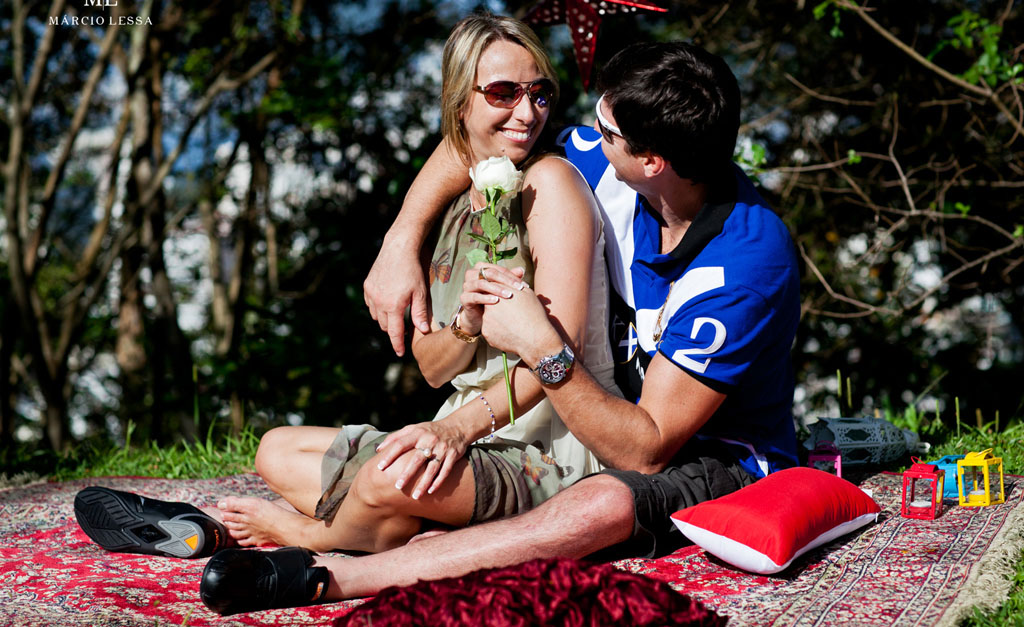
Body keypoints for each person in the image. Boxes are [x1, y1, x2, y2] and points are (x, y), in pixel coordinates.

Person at [197, 40, 802, 616]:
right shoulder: (615, 168)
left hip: (712, 454)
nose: (587, 133)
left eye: (606, 130)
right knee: (288, 452)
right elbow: (476, 143)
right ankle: (427, 527)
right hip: (601, 421)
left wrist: (541, 345)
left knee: (601, 506)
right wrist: (400, 241)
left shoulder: (741, 269)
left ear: (651, 159)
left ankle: (333, 571)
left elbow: (643, 451)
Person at [74, 12, 620, 561]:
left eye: (540, 94)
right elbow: (433, 367)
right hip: (468, 433)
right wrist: (467, 324)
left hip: (548, 449)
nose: (527, 112)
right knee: (276, 451)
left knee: (383, 479)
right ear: (461, 102)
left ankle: (312, 535)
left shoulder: (551, 183)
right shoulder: (455, 207)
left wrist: (454, 431)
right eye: (504, 93)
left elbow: (559, 355)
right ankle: (406, 528)